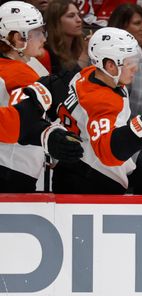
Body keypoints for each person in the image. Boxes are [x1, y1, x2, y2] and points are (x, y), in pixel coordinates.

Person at [53, 27, 142, 194]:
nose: (135, 68)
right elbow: (108, 152)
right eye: (129, 62)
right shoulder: (103, 101)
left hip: (76, 167)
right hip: (90, 180)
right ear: (110, 65)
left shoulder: (89, 74)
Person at [0, 1, 52, 191]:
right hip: (12, 169)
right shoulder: (20, 74)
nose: (43, 38)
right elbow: (22, 123)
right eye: (37, 33)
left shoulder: (14, 69)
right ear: (16, 38)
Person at [0, 83, 83, 185]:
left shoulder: (18, 73)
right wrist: (44, 133)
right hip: (13, 168)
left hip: (20, 171)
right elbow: (14, 125)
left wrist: (46, 134)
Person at [42, 0, 88, 75]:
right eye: (71, 16)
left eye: (78, 15)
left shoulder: (79, 46)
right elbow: (68, 81)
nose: (79, 20)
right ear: (56, 21)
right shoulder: (47, 52)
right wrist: (84, 54)